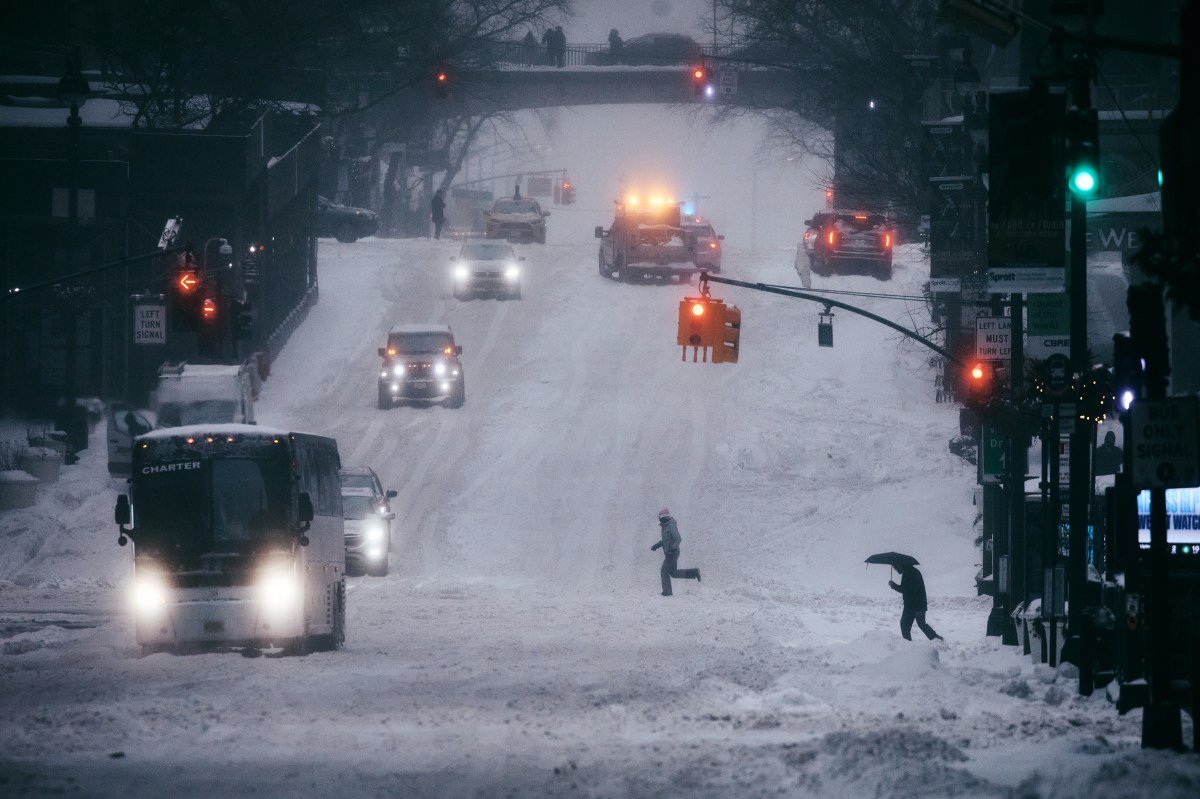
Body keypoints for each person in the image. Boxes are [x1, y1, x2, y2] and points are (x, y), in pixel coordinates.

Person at [650, 508, 700, 596]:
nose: (659, 519)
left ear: (664, 517)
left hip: (672, 553)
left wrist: (673, 548)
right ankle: (694, 572)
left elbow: (678, 538)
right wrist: (656, 546)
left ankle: (667, 592)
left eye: (660, 517)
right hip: (670, 553)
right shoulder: (666, 526)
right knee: (673, 573)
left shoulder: (671, 526)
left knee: (664, 571)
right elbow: (666, 540)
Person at [889, 563, 943, 641]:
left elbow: (904, 589)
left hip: (912, 605)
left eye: (896, 568)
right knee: (921, 624)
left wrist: (892, 585)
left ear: (899, 565)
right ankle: (936, 638)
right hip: (920, 604)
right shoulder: (914, 571)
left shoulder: (907, 573)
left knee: (904, 625)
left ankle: (908, 646)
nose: (896, 570)